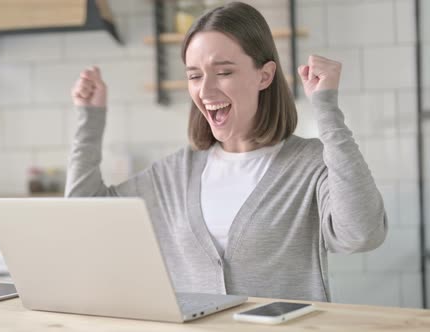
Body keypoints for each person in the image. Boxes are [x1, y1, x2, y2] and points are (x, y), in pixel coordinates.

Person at [66, 2, 387, 302]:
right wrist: (90, 119)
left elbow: (362, 234)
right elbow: (81, 216)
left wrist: (327, 108)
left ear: (265, 75)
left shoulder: (310, 164)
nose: (205, 91)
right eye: (194, 75)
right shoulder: (175, 174)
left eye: (224, 72)